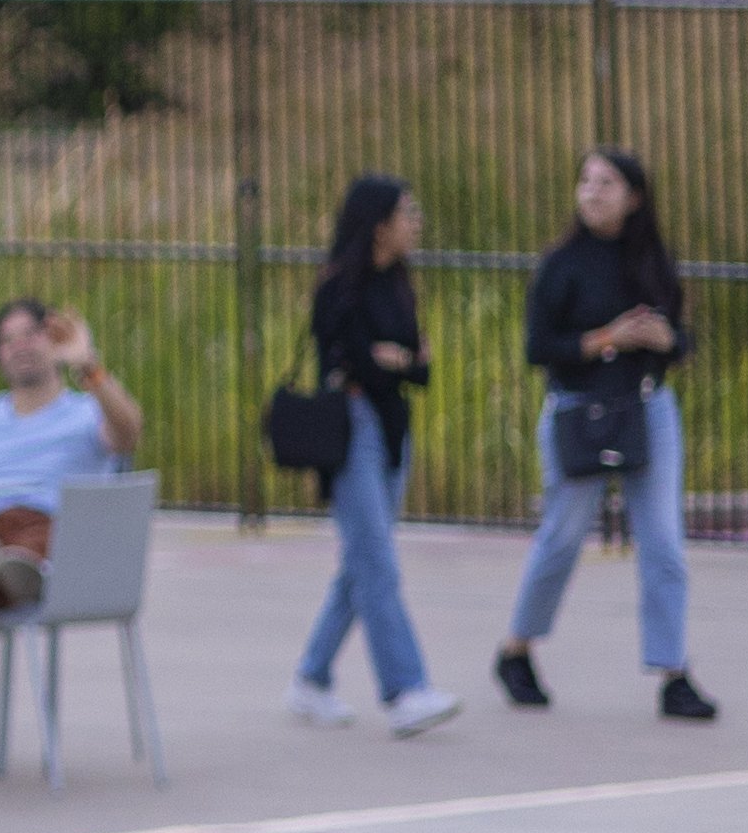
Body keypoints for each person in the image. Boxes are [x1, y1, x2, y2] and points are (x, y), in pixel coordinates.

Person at [500, 145, 715, 722]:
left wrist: (667, 343)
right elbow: (539, 349)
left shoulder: (650, 259)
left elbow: (680, 336)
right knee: (563, 537)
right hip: (579, 411)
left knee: (664, 542)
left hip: (647, 408)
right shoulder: (562, 263)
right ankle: (517, 649)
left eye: (607, 182)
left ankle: (673, 673)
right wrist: (609, 337)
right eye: (586, 181)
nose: (593, 191)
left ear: (634, 197)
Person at [289, 172, 452, 735]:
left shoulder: (399, 285)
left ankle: (311, 678)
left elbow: (419, 365)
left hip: (391, 426)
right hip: (352, 425)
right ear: (378, 224)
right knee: (376, 560)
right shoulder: (339, 285)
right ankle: (406, 689)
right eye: (407, 212)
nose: (416, 223)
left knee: (362, 562)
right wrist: (390, 359)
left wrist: (396, 360)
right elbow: (354, 357)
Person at [0, 297, 150, 637]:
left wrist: (89, 365)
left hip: (53, 531)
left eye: (30, 334)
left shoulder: (87, 412)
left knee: (28, 542)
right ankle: (2, 580)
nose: (19, 346)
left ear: (54, 340)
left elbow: (129, 434)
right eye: (7, 340)